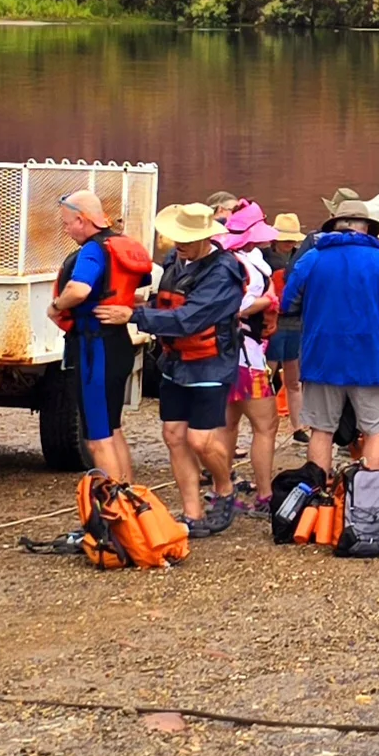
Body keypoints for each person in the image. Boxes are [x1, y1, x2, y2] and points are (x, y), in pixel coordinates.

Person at [95, 202, 243, 536]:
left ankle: (225, 487)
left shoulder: (223, 272)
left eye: (187, 238)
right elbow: (165, 303)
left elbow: (189, 319)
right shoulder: (176, 261)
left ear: (207, 237)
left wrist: (131, 316)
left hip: (210, 365)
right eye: (177, 236)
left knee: (201, 441)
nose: (179, 243)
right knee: (174, 436)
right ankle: (192, 514)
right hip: (175, 363)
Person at [280, 199, 379, 476]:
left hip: (321, 359)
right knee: (376, 431)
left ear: (334, 228)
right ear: (367, 229)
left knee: (322, 430)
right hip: (373, 359)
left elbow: (288, 304)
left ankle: (318, 498)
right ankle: (370, 505)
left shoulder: (311, 259)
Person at [47, 189, 140, 483]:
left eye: (66, 223)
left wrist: (56, 306)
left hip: (95, 349)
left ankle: (115, 512)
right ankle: (129, 495)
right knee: (113, 429)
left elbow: (80, 289)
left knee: (97, 438)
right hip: (119, 345)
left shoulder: (92, 250)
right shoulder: (118, 242)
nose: (65, 229)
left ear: (82, 219)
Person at [218, 202, 282, 518]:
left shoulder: (227, 260)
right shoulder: (244, 266)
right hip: (246, 354)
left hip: (223, 353)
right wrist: (268, 301)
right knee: (266, 424)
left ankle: (223, 492)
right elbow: (238, 306)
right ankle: (265, 495)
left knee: (228, 424)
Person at [265, 212, 306, 444]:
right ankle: (266, 422)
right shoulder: (265, 258)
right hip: (273, 322)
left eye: (292, 239)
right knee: (267, 375)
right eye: (285, 238)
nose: (289, 243)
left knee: (294, 379)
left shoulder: (300, 258)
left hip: (295, 322)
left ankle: (298, 427)